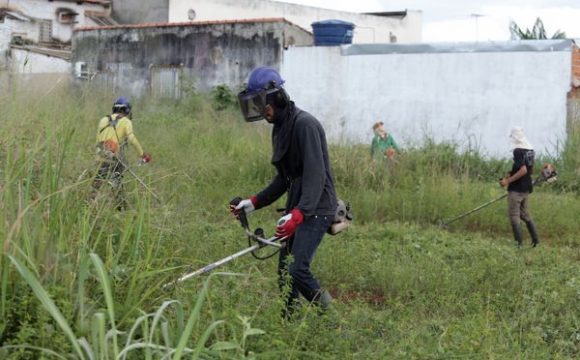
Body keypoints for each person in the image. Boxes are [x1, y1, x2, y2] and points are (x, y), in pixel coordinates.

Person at [231, 66, 337, 318]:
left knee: (297, 268)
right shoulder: (279, 127)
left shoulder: (306, 125)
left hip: (317, 207)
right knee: (284, 269)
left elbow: (315, 175)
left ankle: (332, 321)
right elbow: (285, 178)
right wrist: (254, 202)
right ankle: (290, 321)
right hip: (298, 206)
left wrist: (300, 214)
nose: (260, 111)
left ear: (276, 98)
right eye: (254, 104)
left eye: (261, 103)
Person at [91, 96, 151, 209]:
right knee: (116, 180)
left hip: (100, 153)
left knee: (97, 181)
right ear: (127, 110)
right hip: (113, 156)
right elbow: (131, 138)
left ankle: (89, 203)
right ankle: (120, 206)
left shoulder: (103, 119)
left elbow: (98, 139)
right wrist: (142, 154)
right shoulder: (126, 121)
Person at [499, 126, 539, 247]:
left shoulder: (518, 151)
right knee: (525, 214)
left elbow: (523, 170)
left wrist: (508, 181)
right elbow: (529, 169)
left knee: (514, 215)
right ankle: (536, 241)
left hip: (516, 189)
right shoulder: (530, 150)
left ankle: (519, 245)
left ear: (515, 137)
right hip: (526, 187)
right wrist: (510, 173)